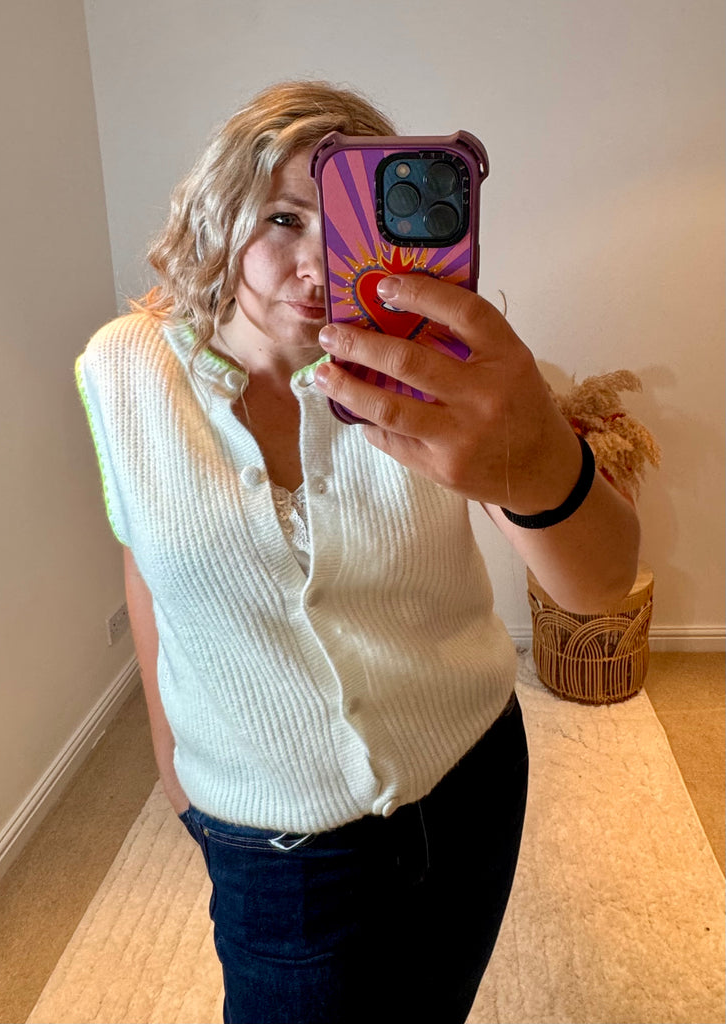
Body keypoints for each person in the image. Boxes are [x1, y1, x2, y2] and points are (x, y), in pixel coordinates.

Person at [76, 80, 640, 1024]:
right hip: (273, 843)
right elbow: (147, 560)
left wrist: (540, 459)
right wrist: (174, 768)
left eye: (345, 226)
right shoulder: (121, 369)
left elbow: (601, 585)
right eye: (283, 218)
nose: (313, 266)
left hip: (469, 782)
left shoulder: (438, 374)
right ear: (220, 214)